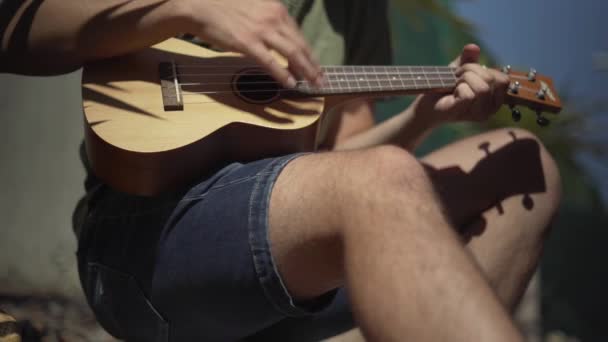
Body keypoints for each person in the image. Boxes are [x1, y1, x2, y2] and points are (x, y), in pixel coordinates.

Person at [1, 0, 561, 341]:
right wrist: (187, 9)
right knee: (383, 178)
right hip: (142, 240)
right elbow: (16, 31)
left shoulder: (359, 11)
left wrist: (420, 118)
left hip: (282, 262)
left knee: (522, 161)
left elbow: (346, 169)